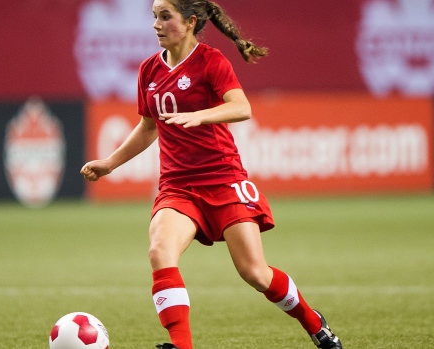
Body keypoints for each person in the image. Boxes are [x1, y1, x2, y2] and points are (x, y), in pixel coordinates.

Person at [80, 1, 343, 348]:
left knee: (254, 273)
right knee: (160, 252)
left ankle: (315, 324)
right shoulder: (148, 70)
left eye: (165, 16)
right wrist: (110, 163)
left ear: (190, 22)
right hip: (177, 186)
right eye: (154, 16)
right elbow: (148, 126)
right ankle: (182, 345)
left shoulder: (211, 61)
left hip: (223, 180)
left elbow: (241, 107)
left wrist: (200, 115)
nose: (156, 25)